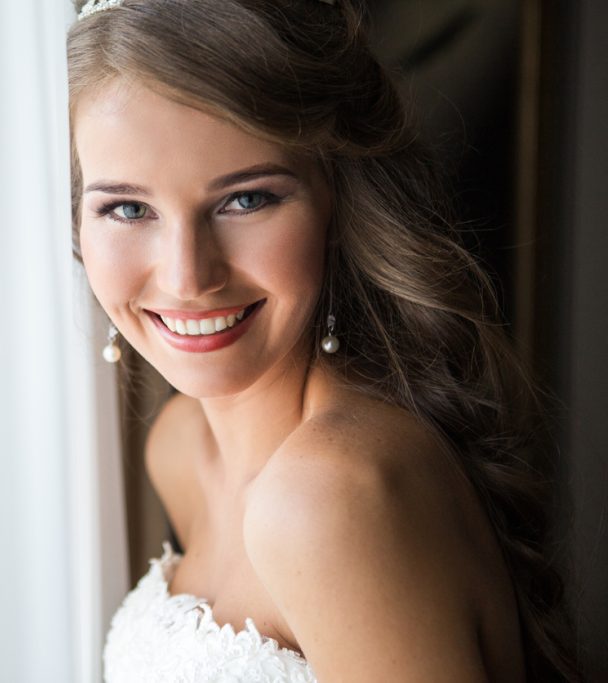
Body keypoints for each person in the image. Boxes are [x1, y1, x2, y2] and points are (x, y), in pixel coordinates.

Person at [66, 0, 581, 681]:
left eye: (245, 199)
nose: (189, 277)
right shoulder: (181, 448)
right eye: (127, 208)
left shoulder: (330, 497)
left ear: (336, 198)